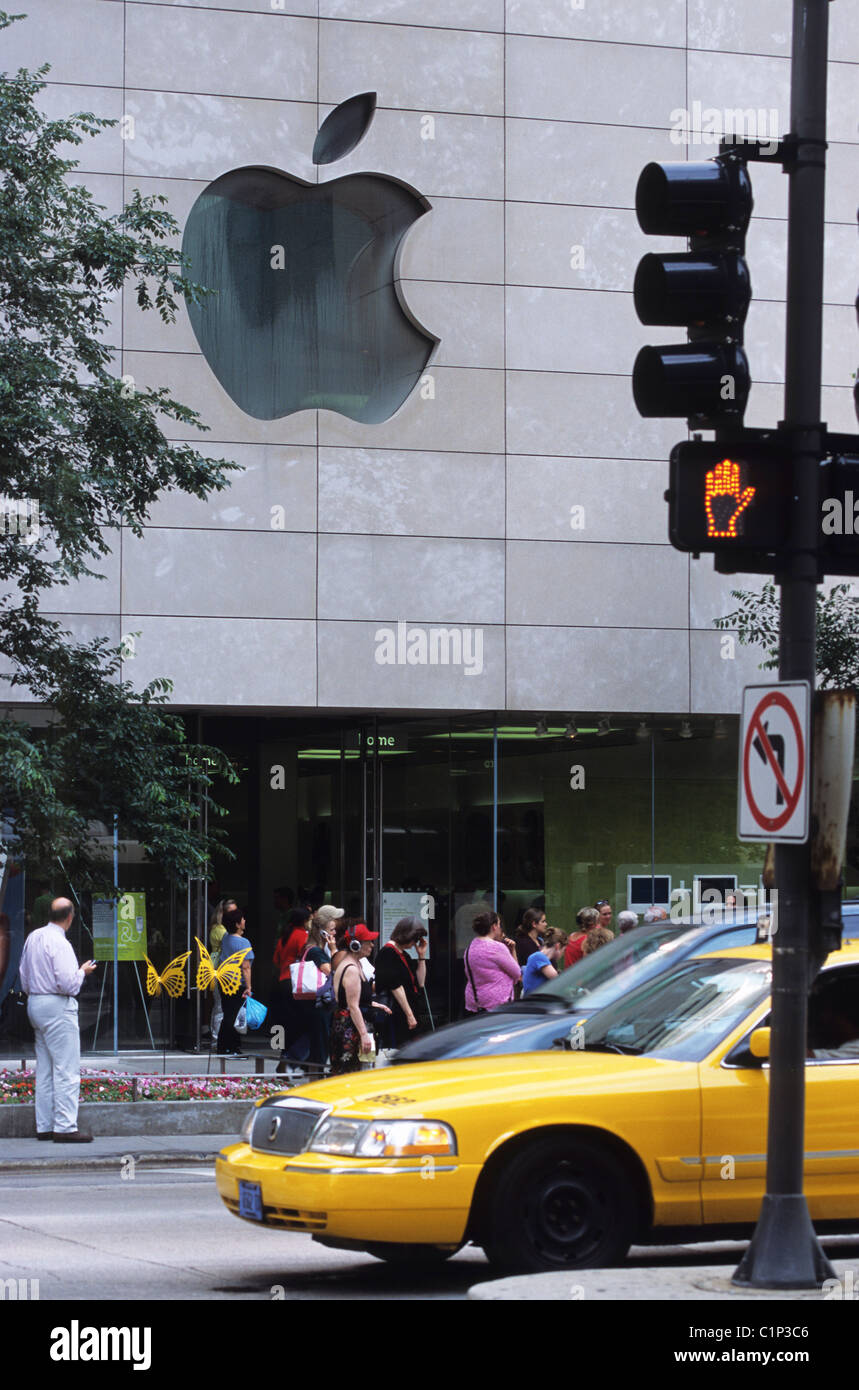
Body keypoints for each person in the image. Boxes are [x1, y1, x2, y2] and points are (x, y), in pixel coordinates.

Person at [18, 898, 97, 1142]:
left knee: (45, 1070)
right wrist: (82, 972)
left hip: (35, 1003)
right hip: (56, 1005)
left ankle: (45, 1126)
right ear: (70, 917)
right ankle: (65, 1127)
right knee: (66, 1069)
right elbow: (68, 983)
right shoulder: (60, 943)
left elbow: (24, 975)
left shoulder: (34, 937)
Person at [275, 913, 333, 1079]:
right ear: (321, 932)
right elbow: (331, 972)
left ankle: (292, 1063)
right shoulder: (314, 950)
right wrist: (334, 950)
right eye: (331, 929)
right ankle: (297, 1065)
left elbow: (276, 959)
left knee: (308, 1034)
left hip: (297, 992)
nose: (334, 933)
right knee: (318, 1036)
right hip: (315, 998)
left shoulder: (302, 945)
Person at [329, 930, 390, 1074]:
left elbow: (355, 999)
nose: (372, 945)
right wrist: (363, 1035)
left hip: (353, 1024)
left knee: (356, 1072)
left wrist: (374, 1004)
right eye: (368, 942)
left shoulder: (357, 965)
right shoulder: (351, 969)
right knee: (347, 1073)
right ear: (355, 945)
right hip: (349, 1028)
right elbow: (352, 1006)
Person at [375, 917, 428, 1048]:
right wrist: (409, 1015)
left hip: (408, 1011)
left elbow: (420, 982)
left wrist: (421, 956)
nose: (415, 943)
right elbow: (395, 986)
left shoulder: (404, 955)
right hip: (397, 1013)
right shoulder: (388, 953)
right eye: (414, 939)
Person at [464, 910, 521, 1014]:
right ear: (494, 926)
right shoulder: (497, 948)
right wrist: (512, 951)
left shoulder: (470, 948)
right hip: (497, 1003)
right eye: (499, 924)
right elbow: (517, 973)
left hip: (475, 1001)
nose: (500, 928)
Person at [215, 907, 253, 1057]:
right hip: (238, 982)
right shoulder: (243, 942)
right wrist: (249, 986)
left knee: (228, 1014)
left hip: (224, 979)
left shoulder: (226, 939)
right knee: (235, 1016)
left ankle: (223, 1046)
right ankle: (232, 1047)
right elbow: (246, 966)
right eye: (242, 919)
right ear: (237, 924)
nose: (244, 921)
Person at [809, 978, 859, 1060]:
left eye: (826, 1011)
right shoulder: (838, 1042)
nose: (823, 1018)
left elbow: (806, 1056)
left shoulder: (856, 1047)